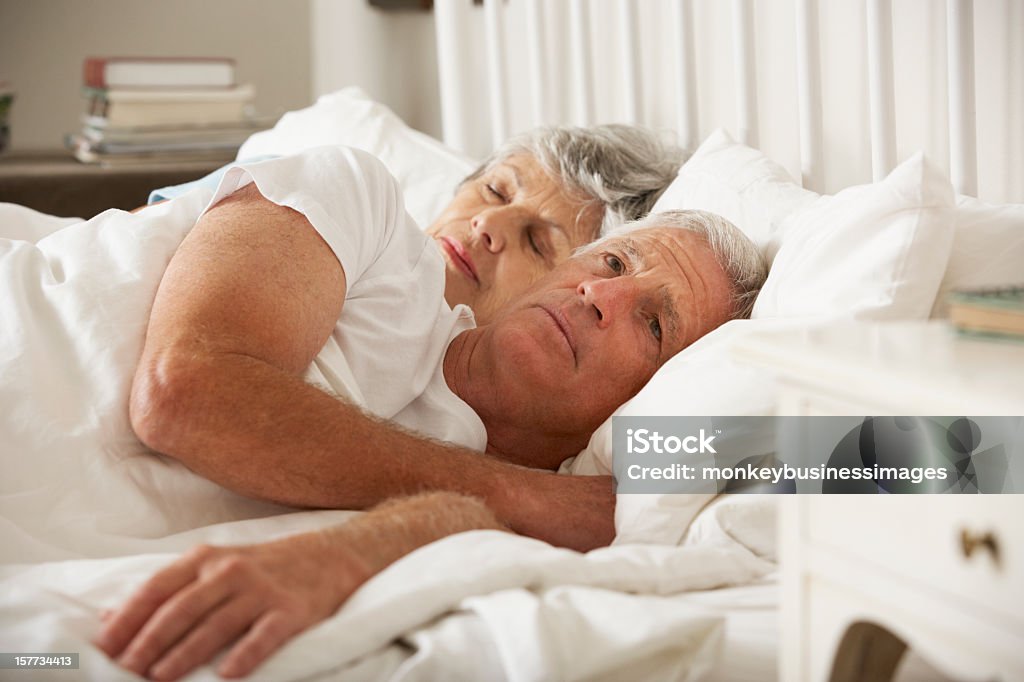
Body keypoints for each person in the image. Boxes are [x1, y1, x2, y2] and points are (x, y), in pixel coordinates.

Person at [98, 210, 766, 680]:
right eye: (612, 261)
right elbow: (184, 393)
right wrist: (530, 496)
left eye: (652, 323)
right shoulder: (376, 230)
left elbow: (861, 455)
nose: (600, 293)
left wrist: (349, 554)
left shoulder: (524, 508)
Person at [145, 124, 686, 324]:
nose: (488, 222)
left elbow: (768, 458)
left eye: (539, 242)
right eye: (495, 188)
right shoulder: (343, 197)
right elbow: (133, 237)